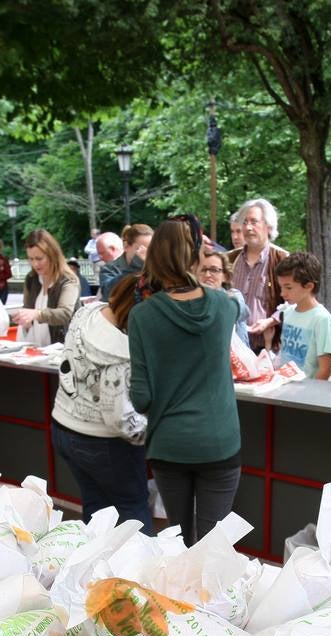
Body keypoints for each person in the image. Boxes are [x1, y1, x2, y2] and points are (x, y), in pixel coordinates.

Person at [129, 215, 240, 545]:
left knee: (178, 539)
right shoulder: (224, 305)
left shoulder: (142, 316)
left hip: (169, 443)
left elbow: (141, 398)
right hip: (220, 441)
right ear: (195, 257)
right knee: (213, 546)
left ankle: (179, 598)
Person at [52, 275, 152, 533]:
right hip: (105, 443)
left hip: (63, 426)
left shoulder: (86, 313)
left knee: (96, 509)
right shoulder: (122, 353)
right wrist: (156, 429)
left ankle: (96, 567)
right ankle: (140, 571)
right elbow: (123, 423)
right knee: (133, 511)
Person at [232, 198, 290, 351]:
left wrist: (271, 321)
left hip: (266, 346)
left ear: (268, 226)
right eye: (244, 222)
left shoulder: (282, 259)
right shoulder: (229, 259)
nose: (248, 227)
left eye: (253, 221)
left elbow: (295, 301)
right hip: (231, 345)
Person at [275, 252, 331, 380]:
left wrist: (310, 395)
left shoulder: (322, 319)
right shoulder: (288, 313)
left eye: (288, 287)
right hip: (283, 388)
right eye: (281, 287)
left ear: (309, 286)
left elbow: (325, 369)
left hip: (305, 394)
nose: (282, 293)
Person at [13, 230, 79, 345]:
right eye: (31, 259)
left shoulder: (68, 280)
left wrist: (37, 314)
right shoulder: (31, 278)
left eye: (39, 258)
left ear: (52, 255)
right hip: (36, 351)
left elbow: (65, 314)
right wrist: (24, 319)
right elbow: (28, 310)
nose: (35, 264)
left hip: (63, 350)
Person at [196, 248, 249, 345]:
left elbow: (241, 312)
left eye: (214, 270)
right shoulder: (192, 300)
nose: (208, 275)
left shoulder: (234, 295)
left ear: (225, 276)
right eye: (203, 270)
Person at [98, 223, 152, 297]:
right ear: (126, 246)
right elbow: (108, 293)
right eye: (141, 249)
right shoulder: (110, 269)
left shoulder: (155, 267)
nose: (146, 254)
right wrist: (135, 266)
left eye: (150, 250)